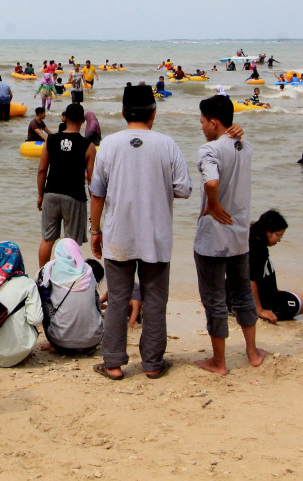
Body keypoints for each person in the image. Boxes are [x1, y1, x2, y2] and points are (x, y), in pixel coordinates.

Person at [89, 84, 193, 380]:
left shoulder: (108, 144)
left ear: (123, 112)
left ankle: (113, 364)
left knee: (119, 299)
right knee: (156, 300)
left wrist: (95, 230)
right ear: (153, 113)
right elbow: (184, 189)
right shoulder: (167, 144)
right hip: (156, 235)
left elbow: (97, 194)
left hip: (119, 234)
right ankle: (151, 364)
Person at [192, 95, 264, 375]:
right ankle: (253, 352)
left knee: (214, 299)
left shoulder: (209, 149)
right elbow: (237, 142)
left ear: (213, 122)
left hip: (213, 238)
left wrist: (212, 203)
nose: (201, 128)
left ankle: (219, 361)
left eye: (202, 122)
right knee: (243, 293)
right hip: (239, 236)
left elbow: (211, 181)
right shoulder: (246, 146)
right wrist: (236, 132)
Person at [37, 103, 96, 266]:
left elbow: (42, 170)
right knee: (71, 242)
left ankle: (42, 277)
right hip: (75, 196)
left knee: (47, 238)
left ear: (65, 118)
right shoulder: (89, 146)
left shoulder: (51, 140)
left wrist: (41, 195)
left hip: (51, 193)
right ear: (83, 120)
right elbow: (91, 179)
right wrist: (93, 206)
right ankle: (67, 279)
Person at [0, 241, 43, 367]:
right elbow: (36, 319)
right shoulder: (28, 283)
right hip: (20, 351)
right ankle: (18, 355)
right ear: (18, 258)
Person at [38, 238, 103, 355]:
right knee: (94, 296)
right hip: (93, 342)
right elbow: (96, 302)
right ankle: (89, 330)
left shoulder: (49, 269)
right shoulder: (88, 271)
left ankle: (54, 342)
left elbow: (39, 294)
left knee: (42, 294)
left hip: (61, 343)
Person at [248, 210, 303, 324]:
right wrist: (260, 310)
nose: (279, 240)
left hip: (238, 294)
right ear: (268, 231)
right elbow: (251, 280)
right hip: (266, 302)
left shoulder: (249, 236)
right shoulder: (257, 248)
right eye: (279, 235)